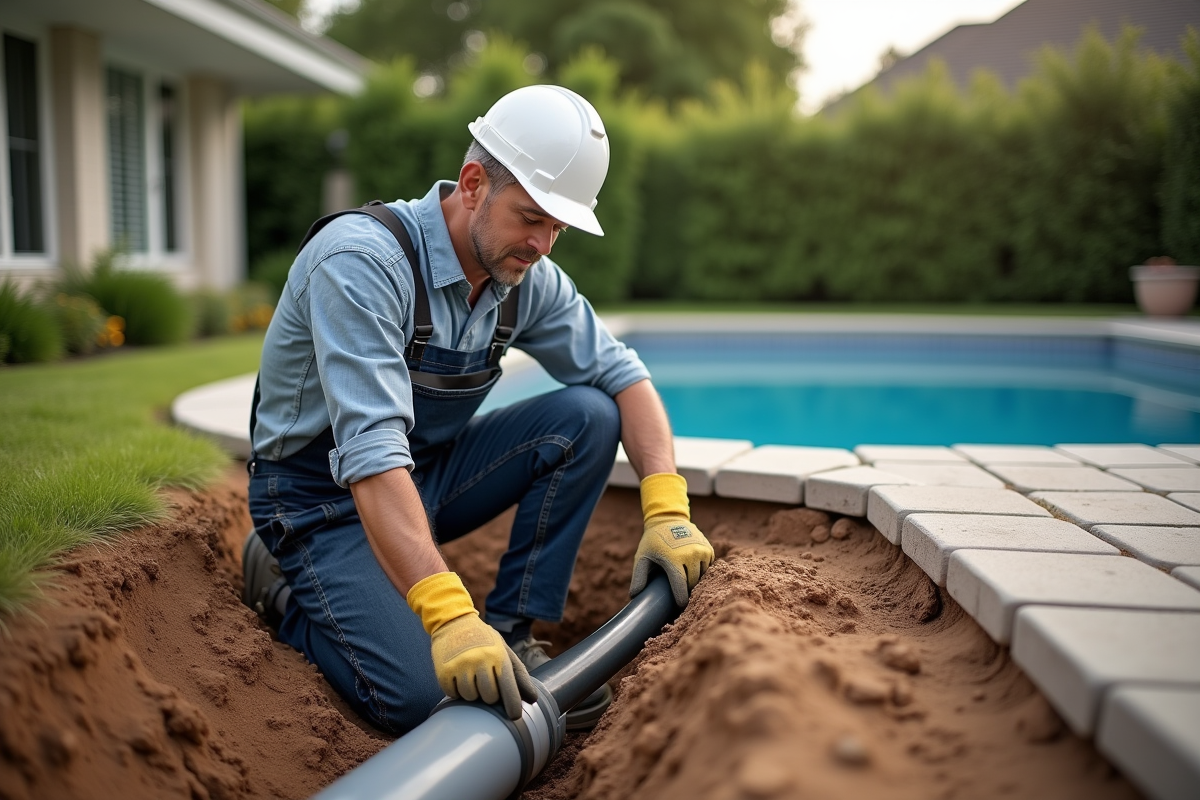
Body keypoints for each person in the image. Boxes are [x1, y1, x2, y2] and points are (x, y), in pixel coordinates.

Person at [242, 85, 713, 736]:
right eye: (531, 217)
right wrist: (445, 613)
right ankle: (287, 588)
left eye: (558, 227)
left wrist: (667, 505)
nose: (544, 243)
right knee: (424, 701)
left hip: (425, 475)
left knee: (589, 415)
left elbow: (624, 376)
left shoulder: (524, 278)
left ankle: (511, 632)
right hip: (318, 500)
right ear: (471, 184)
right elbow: (373, 450)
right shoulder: (362, 263)